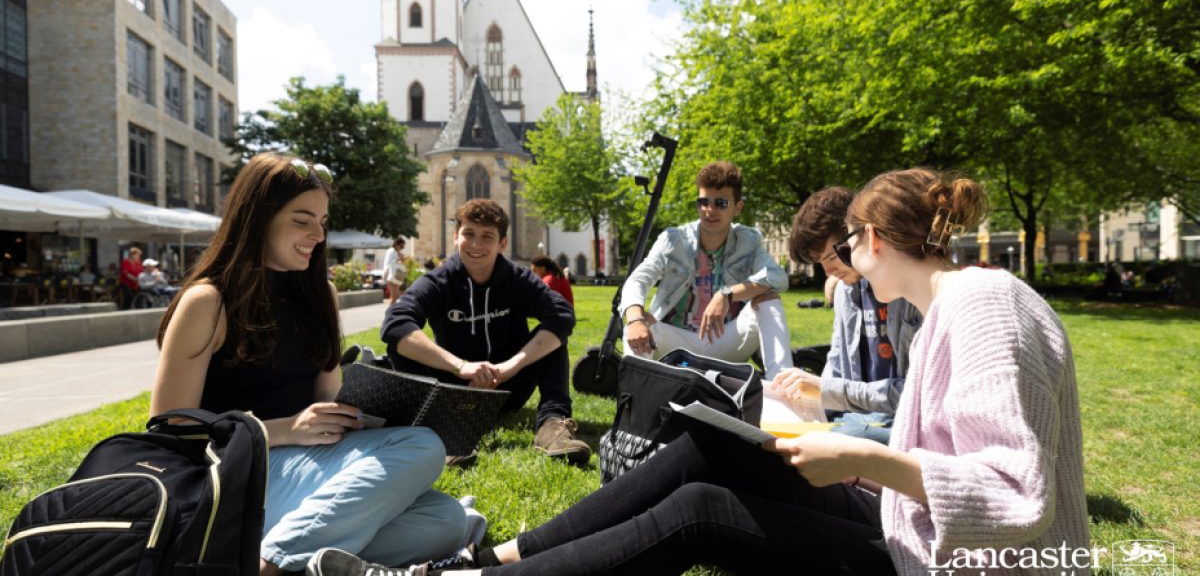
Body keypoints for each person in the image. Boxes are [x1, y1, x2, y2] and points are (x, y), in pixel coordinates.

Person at [310, 167, 1090, 576]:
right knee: (706, 444)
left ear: (876, 239)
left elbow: (1019, 496)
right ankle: (497, 557)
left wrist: (857, 456)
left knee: (700, 514)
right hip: (904, 526)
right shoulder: (955, 307)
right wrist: (849, 459)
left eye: (847, 245)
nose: (839, 266)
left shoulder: (984, 304)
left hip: (937, 563)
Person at [151, 152, 467, 576]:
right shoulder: (208, 302)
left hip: (305, 469)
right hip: (237, 475)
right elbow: (171, 428)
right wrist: (285, 429)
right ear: (258, 217)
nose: (317, 234)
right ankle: (268, 566)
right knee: (424, 447)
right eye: (302, 220)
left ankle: (274, 551)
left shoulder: (322, 296)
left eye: (322, 222)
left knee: (448, 519)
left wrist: (373, 413)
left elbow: (326, 401)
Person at [381, 199, 589, 464]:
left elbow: (561, 314)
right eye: (469, 234)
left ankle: (552, 426)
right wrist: (461, 367)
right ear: (456, 237)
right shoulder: (438, 281)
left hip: (508, 386)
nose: (476, 245)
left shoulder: (517, 279)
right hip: (453, 389)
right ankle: (443, 429)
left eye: (487, 236)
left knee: (553, 338)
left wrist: (509, 367)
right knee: (400, 343)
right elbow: (396, 322)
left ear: (502, 243)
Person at [619, 161, 794, 378]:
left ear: (737, 207)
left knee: (768, 300)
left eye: (720, 203)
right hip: (676, 341)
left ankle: (783, 385)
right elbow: (638, 280)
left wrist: (727, 294)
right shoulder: (674, 239)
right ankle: (635, 403)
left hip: (725, 341)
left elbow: (777, 277)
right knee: (638, 324)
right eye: (703, 202)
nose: (709, 210)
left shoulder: (748, 240)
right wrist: (635, 320)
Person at [776, 186, 923, 444]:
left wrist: (828, 391)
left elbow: (916, 395)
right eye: (819, 262)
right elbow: (836, 364)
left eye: (832, 256)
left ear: (858, 237)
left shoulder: (908, 290)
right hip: (856, 418)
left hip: (902, 423)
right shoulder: (846, 292)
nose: (829, 270)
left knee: (833, 440)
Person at [384, 237, 410, 305]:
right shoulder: (391, 251)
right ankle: (390, 312)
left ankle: (391, 311)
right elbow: (389, 262)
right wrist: (400, 258)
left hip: (395, 275)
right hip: (390, 274)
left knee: (395, 296)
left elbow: (398, 263)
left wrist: (401, 259)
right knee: (394, 296)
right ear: (397, 244)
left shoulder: (395, 252)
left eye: (403, 246)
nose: (402, 248)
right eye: (401, 246)